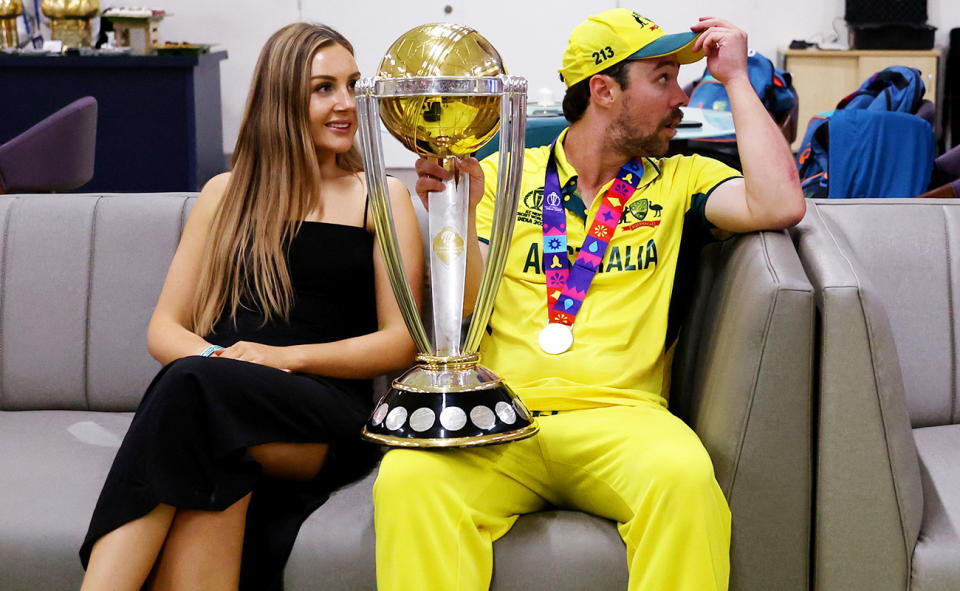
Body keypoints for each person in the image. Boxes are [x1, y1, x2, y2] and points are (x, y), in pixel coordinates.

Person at [373, 8, 804, 591]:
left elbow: (779, 204)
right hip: (503, 420)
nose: (681, 95)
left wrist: (735, 79)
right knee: (408, 477)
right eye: (662, 78)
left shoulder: (681, 179)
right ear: (604, 90)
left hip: (623, 422)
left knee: (685, 481)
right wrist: (458, 211)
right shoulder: (503, 175)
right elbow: (469, 299)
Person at [78, 22, 423, 591]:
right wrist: (230, 363)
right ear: (281, 98)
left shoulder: (381, 197)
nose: (346, 104)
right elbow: (164, 330)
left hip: (323, 415)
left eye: (353, 85)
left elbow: (399, 342)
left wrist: (282, 360)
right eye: (323, 88)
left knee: (191, 395)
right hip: (218, 398)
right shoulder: (224, 194)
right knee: (205, 429)